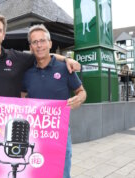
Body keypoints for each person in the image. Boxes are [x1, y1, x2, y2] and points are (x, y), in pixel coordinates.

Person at [0, 13, 81, 100]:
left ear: (4, 35)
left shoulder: (17, 58)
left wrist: (66, 59)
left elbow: (42, 54)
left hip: (8, 132)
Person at [22, 24, 87, 178]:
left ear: (50, 43)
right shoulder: (27, 72)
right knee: (36, 172)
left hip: (61, 134)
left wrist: (79, 99)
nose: (39, 45)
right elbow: (22, 96)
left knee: (61, 173)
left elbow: (81, 91)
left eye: (42, 41)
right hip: (34, 134)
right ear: (30, 47)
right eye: (35, 42)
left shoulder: (65, 68)